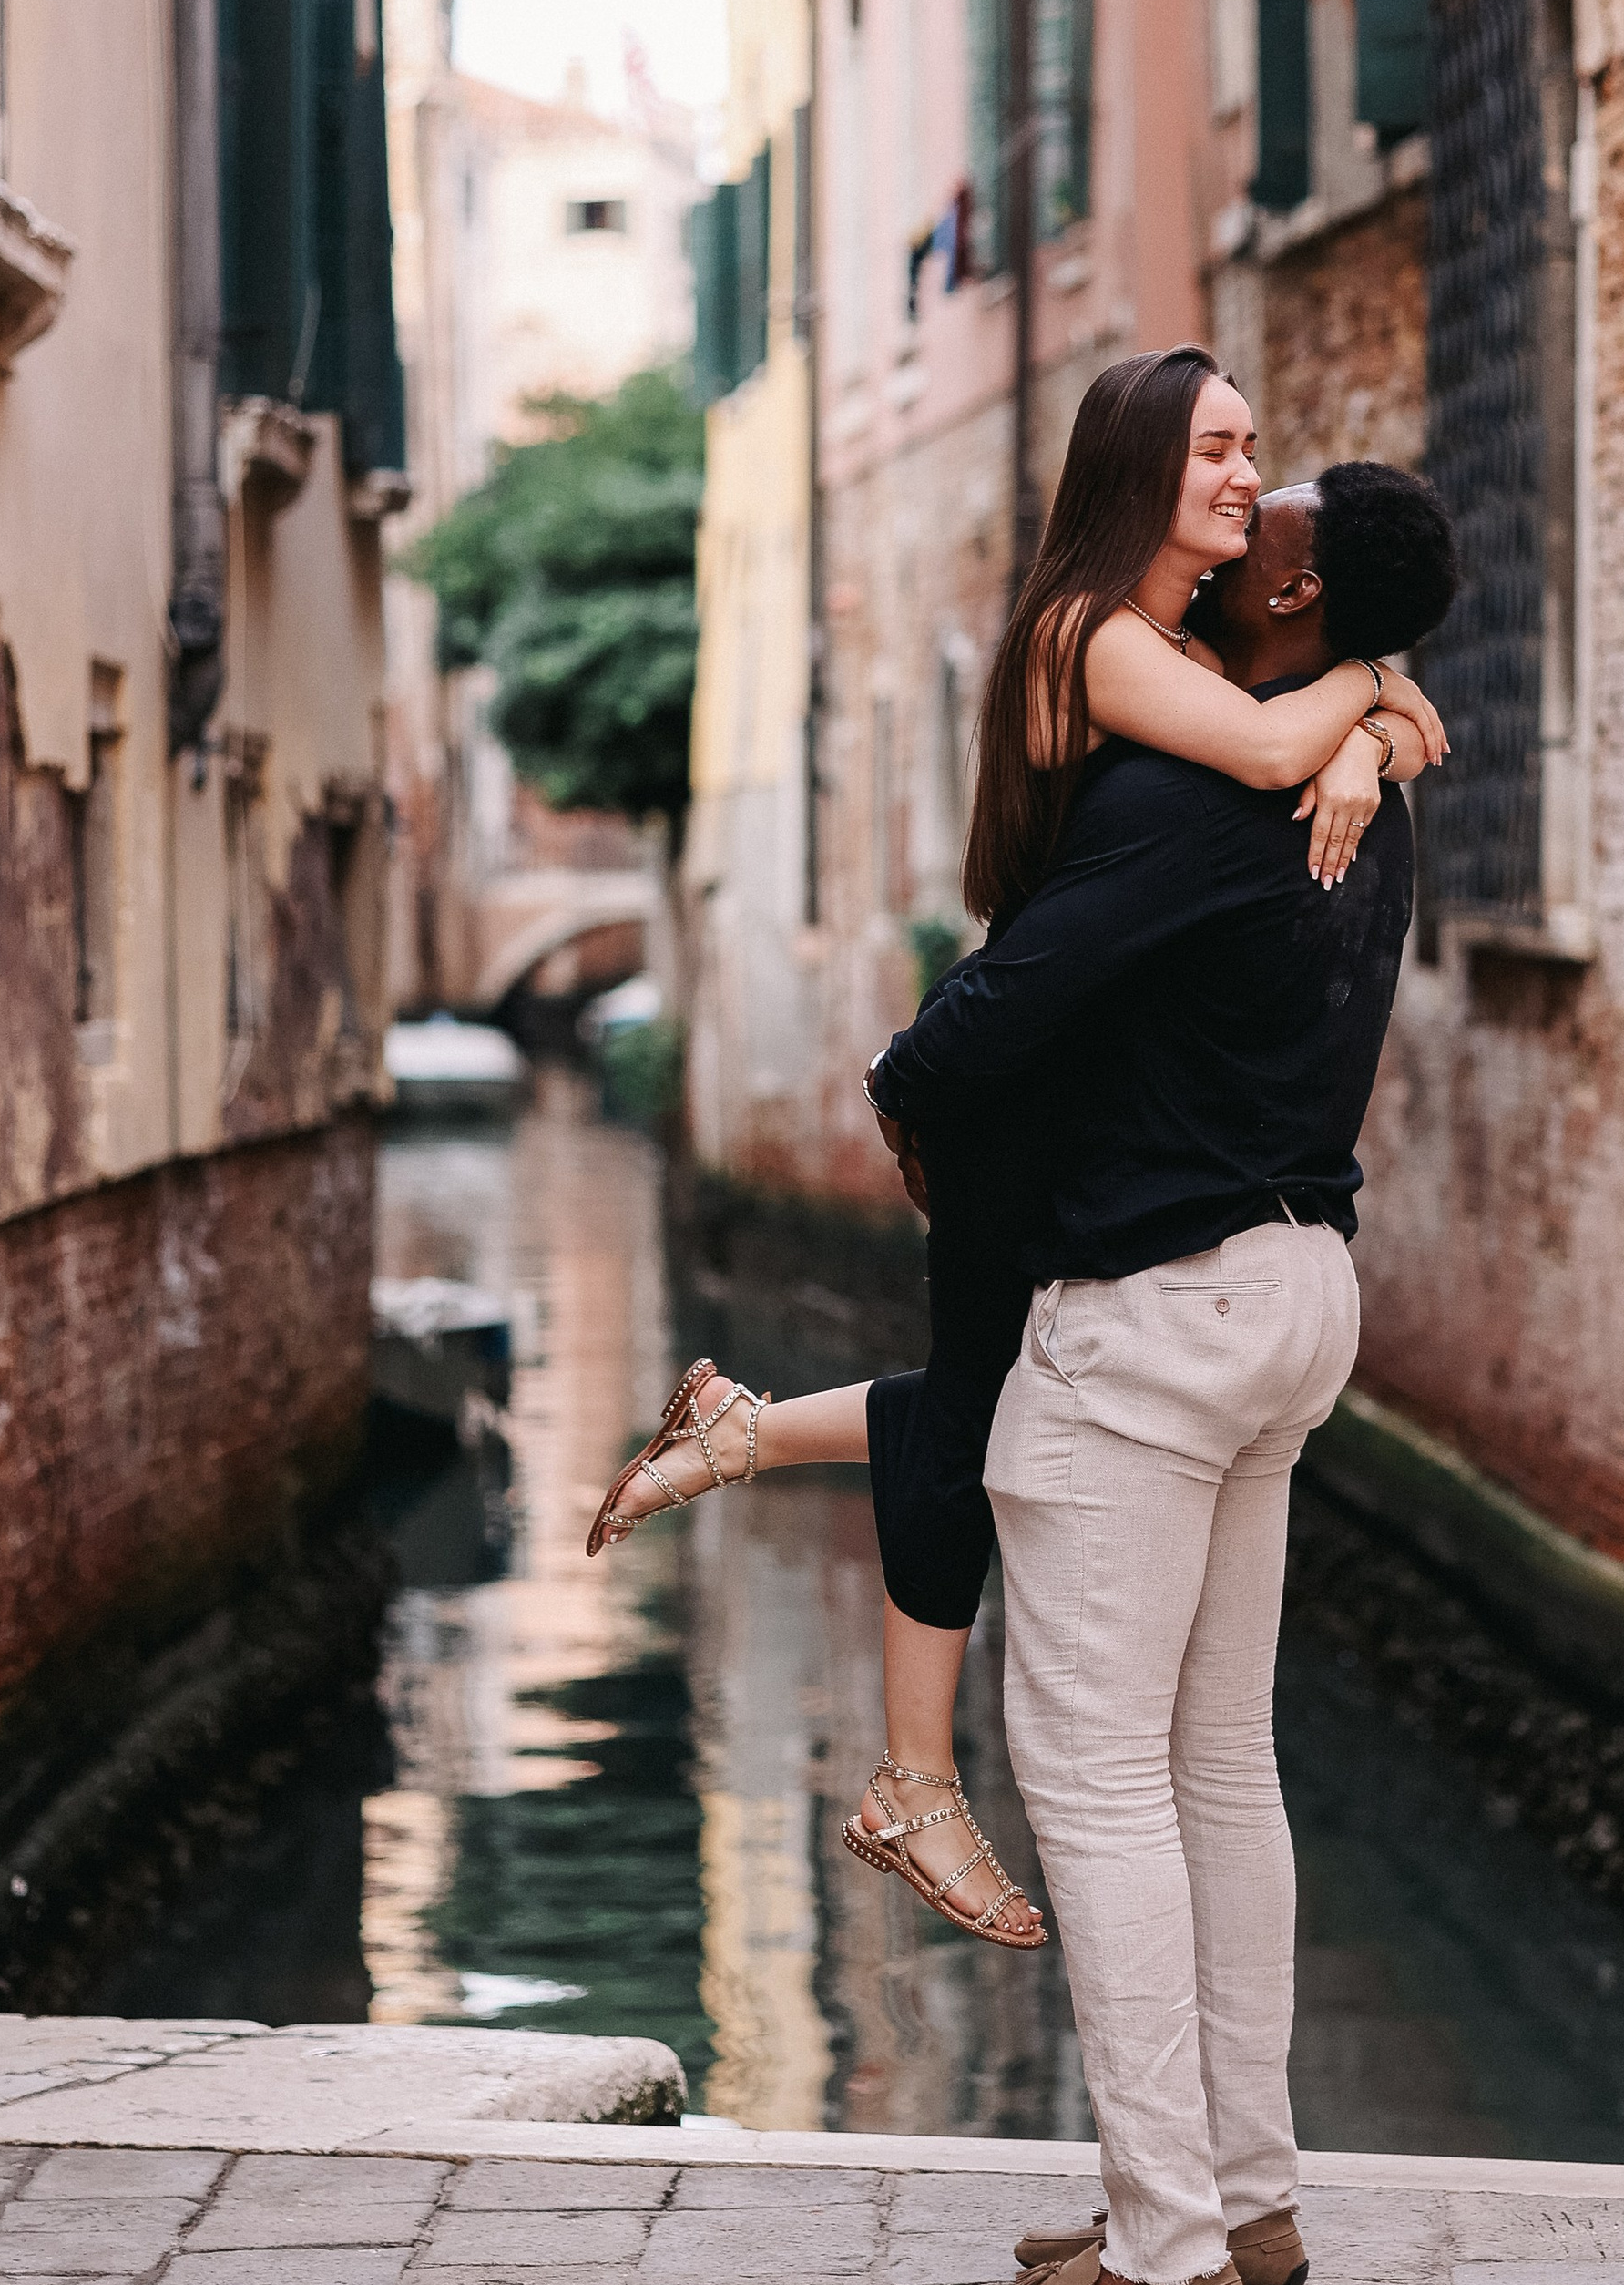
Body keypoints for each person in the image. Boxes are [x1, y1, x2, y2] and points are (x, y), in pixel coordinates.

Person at [585, 346, 1448, 1954]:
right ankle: (912, 1775)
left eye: (1256, 446)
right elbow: (1264, 754)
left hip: (1060, 1076)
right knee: (978, 1409)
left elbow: (1275, 719)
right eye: (1213, 449)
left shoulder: (1182, 637)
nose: (1245, 474)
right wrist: (1376, 703)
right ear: (1134, 469)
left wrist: (1371, 723)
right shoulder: (1087, 634)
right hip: (1014, 1077)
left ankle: (741, 1440)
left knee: (983, 1396)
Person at [865, 437, 1455, 2285]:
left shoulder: (1190, 797)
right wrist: (1366, 701)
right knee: (1218, 1763)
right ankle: (1243, 2201)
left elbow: (986, 1023)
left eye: (1262, 520)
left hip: (1154, 1317)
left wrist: (921, 1105)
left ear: (1288, 596)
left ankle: (1163, 2250)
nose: (1237, 521)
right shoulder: (1361, 785)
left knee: (1101, 1778)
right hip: (1299, 1291)